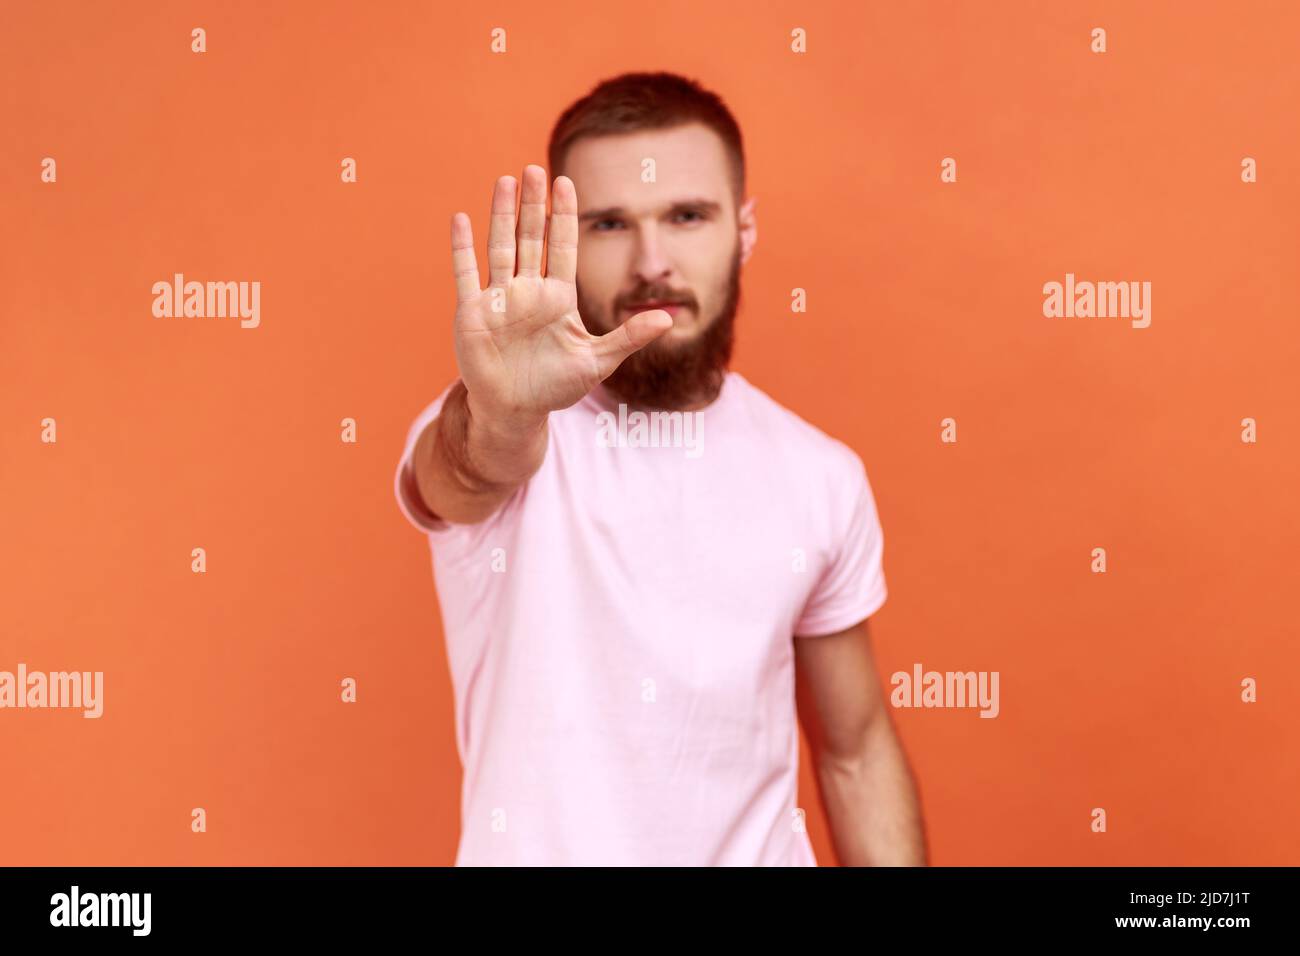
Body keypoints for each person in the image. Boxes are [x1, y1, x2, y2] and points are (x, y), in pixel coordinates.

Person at [394, 71, 926, 866]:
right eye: (610, 224)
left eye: (686, 215)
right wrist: (501, 414)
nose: (652, 262)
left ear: (742, 230)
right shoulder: (508, 427)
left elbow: (854, 750)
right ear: (567, 248)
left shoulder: (822, 476)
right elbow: (467, 474)